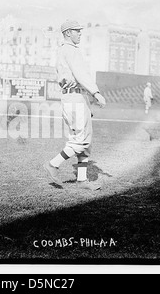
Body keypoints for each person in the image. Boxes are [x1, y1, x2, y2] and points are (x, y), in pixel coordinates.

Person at [43, 20, 106, 191]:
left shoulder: (63, 50)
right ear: (68, 32)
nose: (80, 33)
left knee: (83, 141)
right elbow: (81, 74)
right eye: (77, 31)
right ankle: (53, 164)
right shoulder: (70, 50)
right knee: (81, 140)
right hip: (75, 98)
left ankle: (82, 180)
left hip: (74, 98)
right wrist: (96, 92)